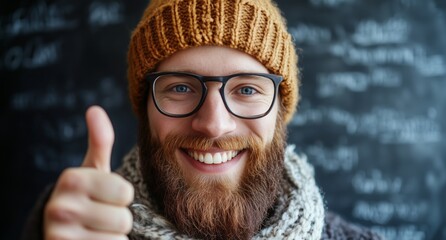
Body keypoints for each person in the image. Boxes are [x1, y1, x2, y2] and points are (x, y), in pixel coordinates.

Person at [22, 0, 384, 239]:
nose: (213, 124)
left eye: (246, 90)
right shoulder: (83, 229)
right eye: (180, 88)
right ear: (145, 107)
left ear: (279, 111)